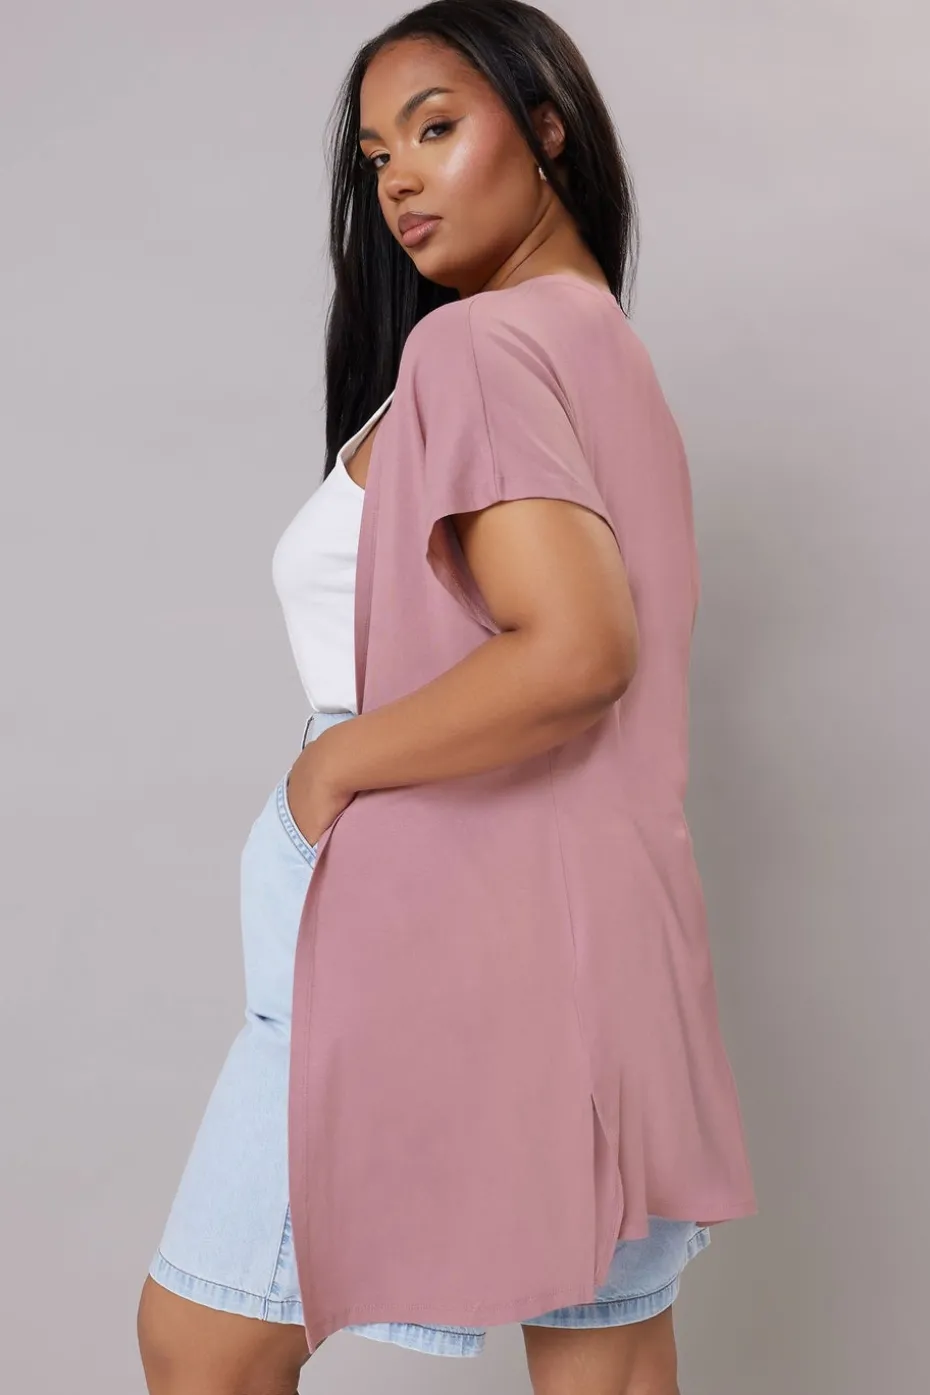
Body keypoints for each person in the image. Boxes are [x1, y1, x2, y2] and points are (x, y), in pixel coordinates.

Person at [137, 3, 756, 1392]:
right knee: (607, 1364)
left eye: (434, 128)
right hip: (606, 936)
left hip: (438, 927)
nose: (399, 179)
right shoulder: (604, 348)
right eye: (375, 157)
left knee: (200, 1346)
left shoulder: (474, 349)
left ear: (545, 130)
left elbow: (576, 653)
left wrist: (333, 767)